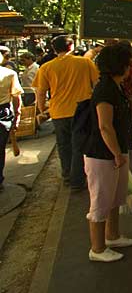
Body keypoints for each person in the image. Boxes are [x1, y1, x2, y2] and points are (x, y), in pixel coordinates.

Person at [84, 44, 132, 262]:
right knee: (101, 200)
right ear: (120, 65)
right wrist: (116, 154)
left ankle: (112, 236)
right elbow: (105, 126)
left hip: (116, 151)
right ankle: (97, 249)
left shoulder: (115, 86)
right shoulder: (105, 89)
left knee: (115, 196)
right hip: (102, 154)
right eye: (129, 63)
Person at [33, 35, 98, 191]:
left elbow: (41, 92)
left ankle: (67, 175)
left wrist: (42, 110)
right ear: (71, 47)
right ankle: (77, 180)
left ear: (54, 49)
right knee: (79, 145)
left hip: (58, 111)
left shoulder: (46, 67)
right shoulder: (85, 63)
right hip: (82, 110)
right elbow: (96, 84)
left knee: (63, 145)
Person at [0, 63, 23, 191]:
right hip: (3, 111)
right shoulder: (9, 73)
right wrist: (17, 115)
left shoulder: (9, 73)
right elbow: (16, 97)